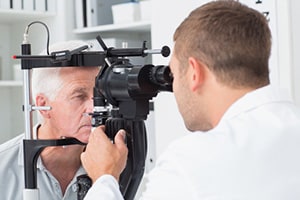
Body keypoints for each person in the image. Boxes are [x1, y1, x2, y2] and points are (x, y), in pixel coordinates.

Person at [80, 0, 300, 199]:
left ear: (194, 72)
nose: (172, 86)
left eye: (173, 75)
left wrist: (104, 177)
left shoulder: (193, 162)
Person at [0, 40, 99, 199]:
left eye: (100, 95)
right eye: (79, 96)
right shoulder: (3, 169)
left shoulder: (113, 162)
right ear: (43, 105)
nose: (94, 108)